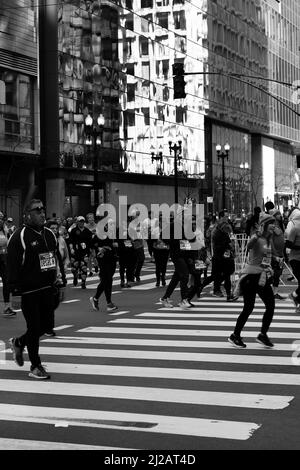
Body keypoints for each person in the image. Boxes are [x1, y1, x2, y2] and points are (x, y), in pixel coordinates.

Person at [7, 199, 59, 379]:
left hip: (48, 288)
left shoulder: (50, 234)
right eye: (37, 211)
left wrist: (59, 283)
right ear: (27, 215)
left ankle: (19, 342)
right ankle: (35, 366)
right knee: (34, 326)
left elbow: (54, 259)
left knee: (47, 327)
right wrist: (14, 292)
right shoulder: (19, 236)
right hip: (28, 290)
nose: (42, 213)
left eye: (43, 209)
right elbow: (12, 267)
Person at [228, 212, 276, 349]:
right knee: (248, 308)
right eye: (271, 223)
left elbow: (265, 257)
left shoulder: (268, 240)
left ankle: (262, 334)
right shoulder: (258, 238)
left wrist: (275, 259)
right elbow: (248, 246)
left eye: (274, 223)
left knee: (270, 306)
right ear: (264, 225)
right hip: (251, 277)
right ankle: (235, 335)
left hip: (262, 277)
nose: (273, 226)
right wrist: (255, 236)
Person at [89, 218, 118, 312]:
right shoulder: (100, 234)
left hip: (112, 258)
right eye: (110, 224)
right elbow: (92, 245)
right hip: (103, 259)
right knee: (107, 279)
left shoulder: (115, 234)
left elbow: (117, 244)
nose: (112, 226)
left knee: (108, 280)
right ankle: (109, 303)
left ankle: (96, 298)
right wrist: (99, 250)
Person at [45, 219, 67, 336]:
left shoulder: (58, 241)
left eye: (55, 228)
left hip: (56, 276)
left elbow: (60, 261)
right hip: (46, 277)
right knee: (49, 303)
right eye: (51, 228)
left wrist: (63, 278)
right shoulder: (44, 240)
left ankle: (46, 323)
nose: (54, 230)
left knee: (55, 303)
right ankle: (49, 328)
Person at [68, 216, 92, 288]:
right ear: (77, 222)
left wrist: (90, 251)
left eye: (83, 221)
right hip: (75, 251)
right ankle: (75, 276)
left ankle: (83, 282)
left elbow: (90, 242)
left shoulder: (87, 231)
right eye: (80, 221)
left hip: (84, 252)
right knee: (74, 268)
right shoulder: (74, 230)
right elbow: (70, 241)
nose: (82, 223)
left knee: (84, 267)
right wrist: (71, 249)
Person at [0, 217, 17, 316]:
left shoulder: (5, 231)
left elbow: (9, 245)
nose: (0, 221)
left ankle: (7, 307)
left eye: (1, 218)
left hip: (4, 261)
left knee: (7, 283)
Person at [285, 207, 300, 312]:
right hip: (295, 259)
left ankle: (296, 298)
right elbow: (288, 244)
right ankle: (295, 296)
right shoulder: (295, 228)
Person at [269, 209, 287, 300]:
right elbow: (271, 240)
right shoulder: (271, 226)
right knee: (273, 273)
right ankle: (269, 292)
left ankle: (275, 292)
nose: (280, 215)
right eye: (278, 214)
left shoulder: (279, 225)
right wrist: (274, 252)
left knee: (278, 273)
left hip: (280, 254)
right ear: (274, 215)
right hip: (275, 254)